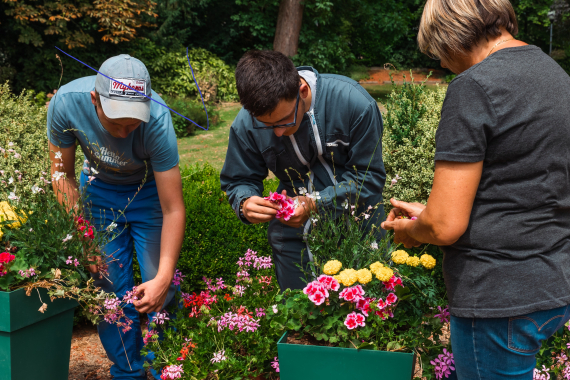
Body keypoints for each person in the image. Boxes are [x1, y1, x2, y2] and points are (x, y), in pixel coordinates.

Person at [381, 0, 570, 378]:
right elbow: (523, 178)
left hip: (498, 294)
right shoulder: (553, 73)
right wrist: (433, 210)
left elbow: (444, 227)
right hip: (552, 279)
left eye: (438, 53)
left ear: (450, 36)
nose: (442, 64)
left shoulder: (474, 87)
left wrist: (413, 230)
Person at [47, 54, 186, 380]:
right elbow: (61, 176)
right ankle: (127, 371)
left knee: (159, 286)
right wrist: (85, 238)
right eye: (116, 122)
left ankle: (169, 367)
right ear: (95, 100)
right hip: (98, 195)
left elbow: (173, 208)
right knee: (109, 289)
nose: (124, 133)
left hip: (148, 194)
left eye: (133, 122)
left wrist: (164, 279)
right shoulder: (66, 105)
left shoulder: (159, 119)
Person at [220, 50, 386, 291]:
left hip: (361, 231)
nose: (277, 132)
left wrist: (316, 202)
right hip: (293, 242)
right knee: (302, 321)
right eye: (266, 125)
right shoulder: (245, 123)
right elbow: (239, 179)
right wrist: (245, 202)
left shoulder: (353, 103)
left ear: (302, 90)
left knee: (369, 318)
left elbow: (369, 178)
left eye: (284, 120)